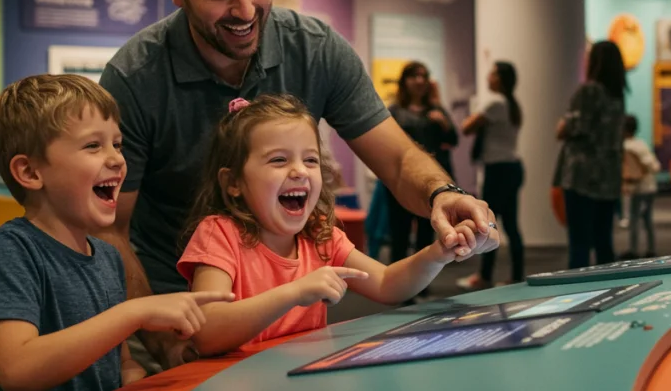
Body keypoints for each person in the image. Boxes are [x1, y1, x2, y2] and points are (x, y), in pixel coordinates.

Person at [97, 0, 495, 372]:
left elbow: (395, 160)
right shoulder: (135, 78)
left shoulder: (316, 49)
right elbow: (112, 229)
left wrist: (441, 196)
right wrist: (157, 339)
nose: (244, 10)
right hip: (175, 321)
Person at [0, 74, 234, 391]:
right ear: (29, 172)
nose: (116, 159)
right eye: (93, 146)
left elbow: (116, 355)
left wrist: (134, 377)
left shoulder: (108, 257)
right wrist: (135, 312)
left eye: (118, 144)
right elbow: (17, 370)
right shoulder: (11, 250)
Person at [175, 94, 497, 356]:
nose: (300, 171)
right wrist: (293, 293)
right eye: (278, 160)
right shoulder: (219, 235)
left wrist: (436, 253)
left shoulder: (318, 235)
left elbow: (386, 283)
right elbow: (207, 331)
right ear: (233, 182)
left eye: (310, 159)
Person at [555, 40, 627, 269]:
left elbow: (569, 129)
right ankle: (612, 294)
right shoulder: (617, 97)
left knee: (579, 245)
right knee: (604, 242)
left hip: (581, 177)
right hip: (609, 178)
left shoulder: (589, 91)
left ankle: (576, 297)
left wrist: (563, 125)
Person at [457, 61, 525, 289]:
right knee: (511, 225)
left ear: (501, 78)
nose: (489, 76)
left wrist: (475, 105)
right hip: (510, 168)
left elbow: (467, 127)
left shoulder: (495, 103)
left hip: (499, 171)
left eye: (493, 73)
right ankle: (516, 275)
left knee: (487, 224)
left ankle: (484, 276)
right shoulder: (511, 104)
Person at [385, 62, 458, 268]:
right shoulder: (395, 111)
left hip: (430, 180)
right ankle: (397, 286)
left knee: (426, 233)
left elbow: (453, 140)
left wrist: (443, 122)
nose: (419, 81)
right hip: (399, 179)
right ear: (405, 81)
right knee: (399, 232)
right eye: (414, 76)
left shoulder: (436, 109)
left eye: (424, 76)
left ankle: (422, 284)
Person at [621, 115, 660, 259]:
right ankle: (651, 248)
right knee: (647, 218)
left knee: (634, 217)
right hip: (650, 186)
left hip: (638, 188)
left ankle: (633, 249)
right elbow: (655, 166)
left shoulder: (626, 147)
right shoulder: (641, 144)